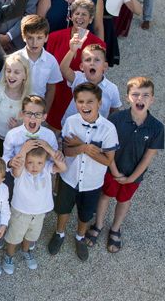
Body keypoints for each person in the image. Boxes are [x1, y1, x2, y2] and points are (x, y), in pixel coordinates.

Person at [86, 77, 164, 254]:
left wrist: (131, 178)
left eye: (145, 95)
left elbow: (148, 157)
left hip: (134, 175)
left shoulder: (157, 127)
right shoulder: (116, 119)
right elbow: (108, 148)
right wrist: (114, 171)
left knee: (124, 200)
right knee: (105, 195)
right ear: (128, 97)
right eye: (135, 94)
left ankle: (115, 228)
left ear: (152, 99)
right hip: (111, 169)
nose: (140, 99)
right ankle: (98, 225)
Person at [48, 83, 118, 262]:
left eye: (90, 101)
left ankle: (80, 236)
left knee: (85, 213)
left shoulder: (109, 129)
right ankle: (59, 233)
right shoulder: (71, 122)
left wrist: (81, 147)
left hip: (92, 181)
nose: (85, 106)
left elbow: (107, 160)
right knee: (63, 208)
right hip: (69, 177)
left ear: (99, 103)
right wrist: (85, 147)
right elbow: (66, 151)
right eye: (80, 101)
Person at [2, 142, 66, 274]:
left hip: (39, 213)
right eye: (30, 162)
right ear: (25, 160)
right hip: (21, 211)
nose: (34, 167)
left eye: (39, 163)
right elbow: (15, 170)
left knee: (31, 235)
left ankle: (26, 251)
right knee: (15, 235)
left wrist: (49, 149)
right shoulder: (21, 170)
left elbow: (63, 168)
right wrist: (23, 151)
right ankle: (9, 255)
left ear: (45, 162)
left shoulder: (47, 168)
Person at [45, 0, 105, 131]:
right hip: (55, 95)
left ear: (90, 19)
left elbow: (98, 75)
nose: (80, 17)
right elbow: (47, 67)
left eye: (84, 14)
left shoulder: (99, 45)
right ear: (71, 17)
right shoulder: (54, 37)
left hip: (79, 100)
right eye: (77, 13)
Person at [1, 95, 59, 199]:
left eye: (37, 114)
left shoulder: (49, 135)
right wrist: (10, 162)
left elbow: (54, 160)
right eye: (28, 113)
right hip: (17, 180)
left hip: (39, 181)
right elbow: (5, 157)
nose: (33, 117)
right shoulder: (12, 134)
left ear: (44, 117)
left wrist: (49, 150)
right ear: (22, 114)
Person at [59, 42, 121, 126]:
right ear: (81, 67)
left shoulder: (112, 89)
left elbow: (115, 110)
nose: (92, 63)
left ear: (105, 66)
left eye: (97, 60)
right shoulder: (78, 78)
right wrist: (72, 50)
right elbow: (63, 69)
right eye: (88, 60)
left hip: (96, 132)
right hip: (71, 128)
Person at [0, 53, 30, 156]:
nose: (11, 75)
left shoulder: (28, 99)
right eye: (8, 71)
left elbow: (30, 125)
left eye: (17, 72)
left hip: (13, 143)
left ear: (25, 75)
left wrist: (18, 127)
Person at [16, 15, 62, 114]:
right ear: (24, 37)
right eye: (30, 38)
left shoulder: (51, 61)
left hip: (38, 111)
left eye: (39, 38)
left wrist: (45, 111)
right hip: (16, 108)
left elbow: (51, 89)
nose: (34, 42)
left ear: (46, 38)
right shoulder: (15, 59)